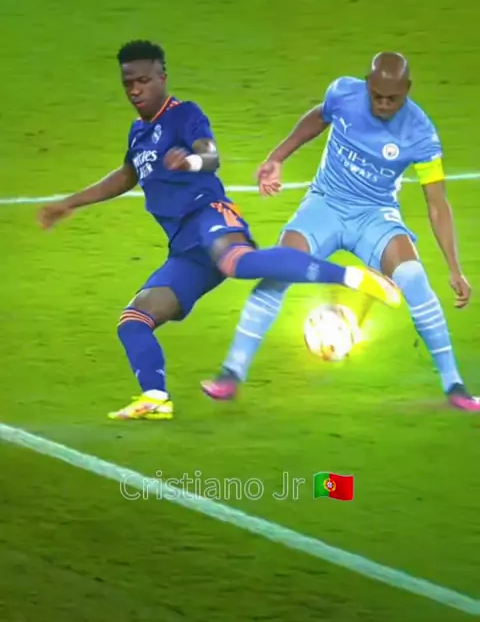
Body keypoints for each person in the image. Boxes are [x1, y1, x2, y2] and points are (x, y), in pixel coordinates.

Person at [38, 41, 399, 420]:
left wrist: (190, 162)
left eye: (143, 80)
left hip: (209, 215)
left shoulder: (184, 114)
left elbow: (210, 155)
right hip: (185, 250)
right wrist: (70, 203)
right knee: (134, 320)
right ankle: (156, 397)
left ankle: (355, 278)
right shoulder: (138, 133)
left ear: (162, 77)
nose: (135, 90)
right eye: (128, 83)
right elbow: (128, 175)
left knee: (236, 262)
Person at [202, 52, 480, 411]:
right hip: (325, 205)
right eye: (376, 95)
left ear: (408, 89)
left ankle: (455, 386)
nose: (383, 104)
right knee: (280, 270)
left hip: (375, 215)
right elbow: (319, 117)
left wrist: (455, 268)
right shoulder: (344, 94)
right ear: (367, 83)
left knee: (414, 278)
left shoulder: (421, 133)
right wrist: (278, 157)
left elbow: (437, 202)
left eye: (392, 98)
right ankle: (231, 373)